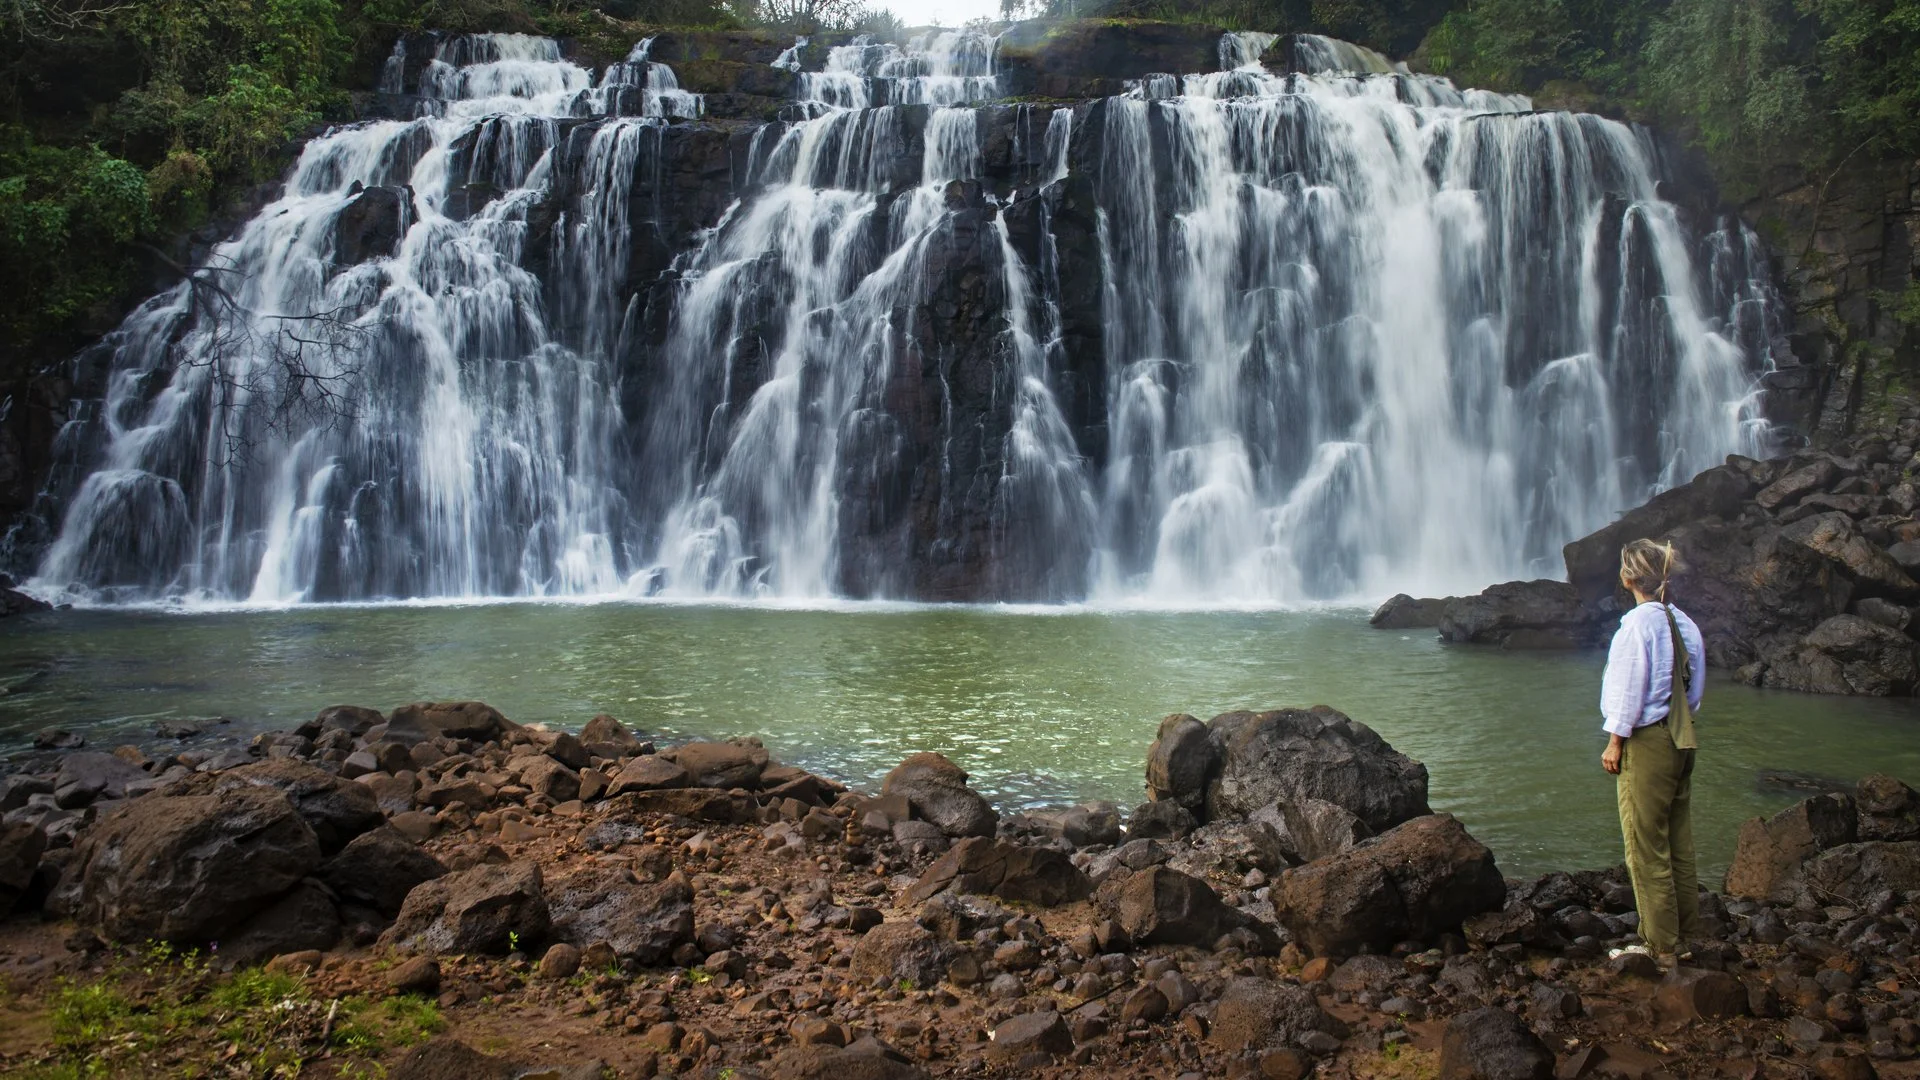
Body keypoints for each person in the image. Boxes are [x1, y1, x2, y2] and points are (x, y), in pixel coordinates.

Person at [1598, 537, 1706, 967]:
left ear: (1628, 579)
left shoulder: (1637, 626)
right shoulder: (1685, 624)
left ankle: (1660, 946)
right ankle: (1685, 934)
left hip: (1648, 744)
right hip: (1683, 738)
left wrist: (1615, 741)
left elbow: (1627, 691)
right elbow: (1693, 693)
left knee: (1645, 846)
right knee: (1678, 841)